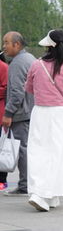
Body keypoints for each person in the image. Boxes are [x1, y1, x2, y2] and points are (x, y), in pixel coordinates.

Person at [23, 30, 63, 211]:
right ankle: (52, 193)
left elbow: (29, 88)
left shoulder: (36, 65)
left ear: (47, 45)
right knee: (58, 153)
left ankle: (40, 193)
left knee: (37, 151)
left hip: (41, 112)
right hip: (61, 114)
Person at [2, 32, 35, 196]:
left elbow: (16, 93)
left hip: (21, 113)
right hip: (32, 110)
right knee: (27, 149)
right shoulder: (30, 58)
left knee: (22, 150)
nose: (4, 46)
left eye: (6, 42)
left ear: (17, 44)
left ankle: (25, 185)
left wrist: (8, 113)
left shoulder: (17, 63)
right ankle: (28, 183)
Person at [0, 53, 8, 190]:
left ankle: (2, 179)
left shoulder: (4, 67)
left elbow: (6, 89)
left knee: (1, 148)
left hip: (1, 112)